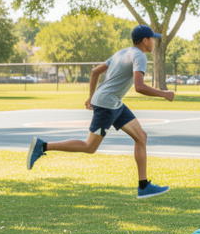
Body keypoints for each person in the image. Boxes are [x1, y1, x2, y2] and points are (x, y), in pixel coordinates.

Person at [26, 25, 175, 198]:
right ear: (145, 41)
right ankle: (42, 146)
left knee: (141, 137)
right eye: (153, 39)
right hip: (106, 105)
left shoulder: (122, 53)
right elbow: (139, 87)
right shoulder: (139, 56)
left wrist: (91, 97)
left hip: (114, 103)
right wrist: (164, 94)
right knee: (90, 147)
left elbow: (95, 71)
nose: (154, 43)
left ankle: (143, 186)